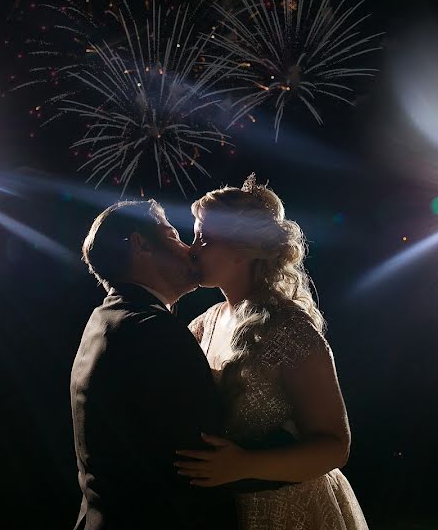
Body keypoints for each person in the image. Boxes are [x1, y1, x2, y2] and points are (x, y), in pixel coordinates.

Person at [71, 199, 292, 530]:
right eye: (173, 235)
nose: (191, 249)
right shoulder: (154, 331)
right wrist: (289, 452)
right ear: (141, 244)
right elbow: (198, 463)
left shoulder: (104, 321)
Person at [175, 174, 369, 530]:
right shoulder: (204, 323)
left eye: (204, 237)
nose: (192, 248)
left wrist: (245, 465)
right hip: (224, 511)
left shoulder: (289, 330)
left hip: (291, 510)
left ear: (241, 248)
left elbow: (335, 446)